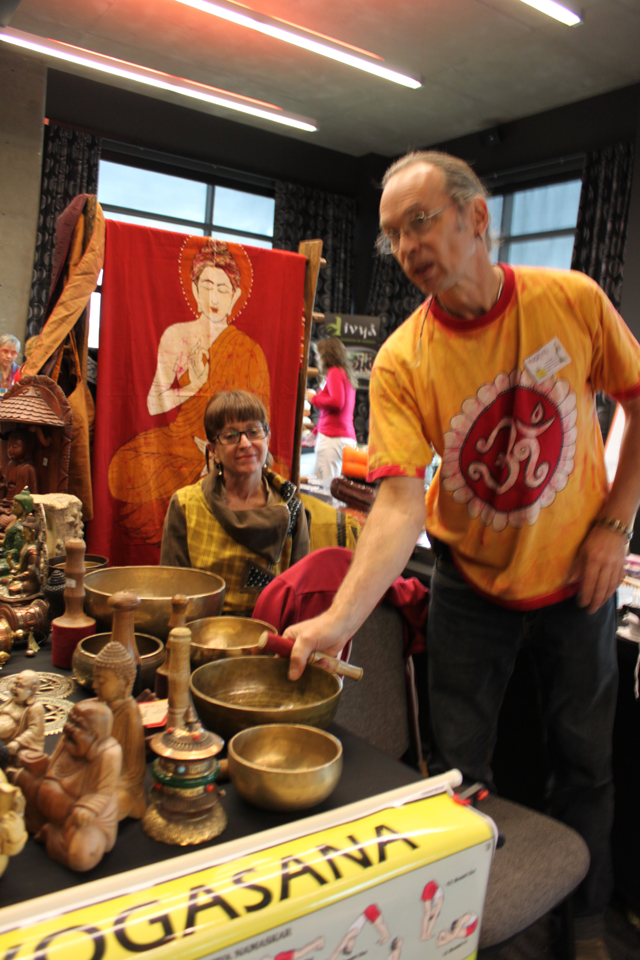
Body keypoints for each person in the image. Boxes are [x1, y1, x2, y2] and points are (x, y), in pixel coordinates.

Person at [285, 150, 640, 960]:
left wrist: (616, 522)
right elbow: (401, 504)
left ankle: (585, 924)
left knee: (585, 764)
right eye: (391, 235)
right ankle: (457, 922)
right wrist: (339, 619)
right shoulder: (406, 358)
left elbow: (637, 396)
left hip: (577, 586)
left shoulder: (571, 301)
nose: (407, 247)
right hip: (470, 588)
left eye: (420, 221)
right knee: (455, 773)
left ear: (477, 220)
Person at [108, 239, 271, 546]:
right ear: (195, 290)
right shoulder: (177, 336)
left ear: (235, 296)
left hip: (235, 444)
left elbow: (262, 426)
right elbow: (154, 403)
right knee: (121, 470)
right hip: (181, 442)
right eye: (207, 285)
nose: (214, 296)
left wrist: (229, 442)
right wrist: (192, 386)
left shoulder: (249, 350)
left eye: (223, 289)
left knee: (274, 471)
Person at [161, 390, 309, 615]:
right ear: (213, 451)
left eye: (254, 432)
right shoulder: (185, 506)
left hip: (269, 639)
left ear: (267, 439)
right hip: (200, 639)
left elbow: (299, 597)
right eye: (230, 436)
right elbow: (173, 594)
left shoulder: (290, 509)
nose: (245, 443)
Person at [16, 700, 122, 872]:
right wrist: (38, 763)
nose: (69, 728)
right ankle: (39, 823)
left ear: (95, 735)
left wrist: (87, 808)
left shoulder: (108, 753)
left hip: (80, 820)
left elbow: (103, 793)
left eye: (78, 725)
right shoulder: (68, 739)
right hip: (51, 806)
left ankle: (50, 834)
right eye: (70, 721)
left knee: (81, 856)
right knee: (20, 778)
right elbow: (51, 766)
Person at [92, 641, 147, 821]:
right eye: (95, 679)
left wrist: (105, 785)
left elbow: (134, 772)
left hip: (123, 785)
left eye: (101, 680)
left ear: (124, 682)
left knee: (97, 810)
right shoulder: (99, 708)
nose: (94, 685)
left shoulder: (130, 712)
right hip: (99, 776)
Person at [308, 337, 357, 480]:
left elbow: (337, 402)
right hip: (342, 438)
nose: (317, 358)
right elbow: (339, 410)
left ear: (327, 355)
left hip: (332, 440)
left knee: (326, 489)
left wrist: (313, 398)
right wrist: (316, 431)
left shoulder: (334, 372)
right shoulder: (344, 373)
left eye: (319, 354)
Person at [0, 670, 44, 776]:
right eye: (14, 684)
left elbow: (35, 731)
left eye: (19, 686)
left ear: (32, 690)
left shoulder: (35, 708)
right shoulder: (13, 700)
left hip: (11, 746)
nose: (14, 688)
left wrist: (18, 742)